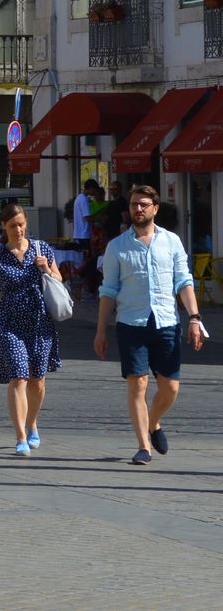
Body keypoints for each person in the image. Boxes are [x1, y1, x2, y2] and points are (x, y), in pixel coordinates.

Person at [93, 184, 208, 464]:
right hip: (131, 323)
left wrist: (194, 318)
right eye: (134, 204)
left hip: (167, 321)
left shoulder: (172, 241)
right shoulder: (116, 246)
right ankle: (143, 446)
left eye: (144, 204)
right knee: (138, 384)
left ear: (155, 209)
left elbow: (184, 281)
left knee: (170, 388)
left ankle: (153, 422)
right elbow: (108, 290)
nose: (138, 209)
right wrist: (101, 331)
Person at [0, 201, 62, 454]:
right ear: (4, 226)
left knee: (37, 382)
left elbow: (58, 279)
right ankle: (21, 436)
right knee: (19, 377)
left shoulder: (42, 248)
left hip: (40, 322)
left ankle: (33, 424)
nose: (19, 229)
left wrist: (45, 268)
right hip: (10, 322)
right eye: (13, 225)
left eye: (22, 224)